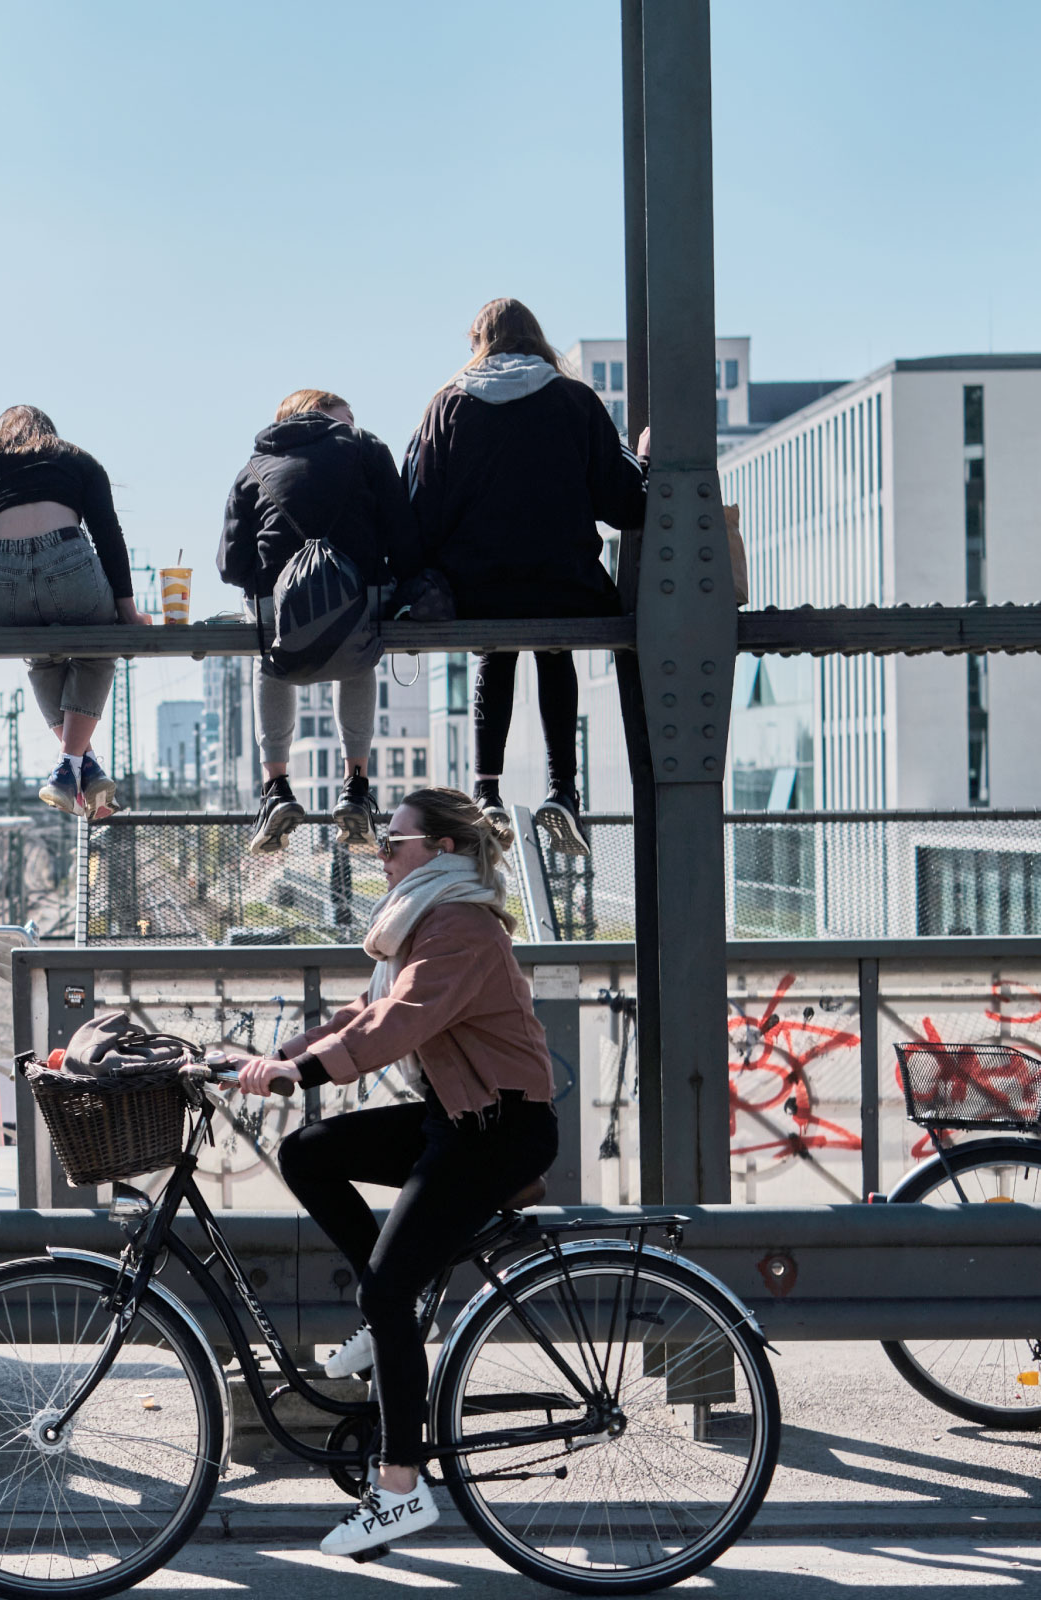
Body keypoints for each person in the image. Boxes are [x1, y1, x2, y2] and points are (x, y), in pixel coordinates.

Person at [225, 786, 558, 1558]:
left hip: (499, 1130)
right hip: (460, 1115)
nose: (381, 852)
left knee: (386, 1286)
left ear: (440, 851)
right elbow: (361, 1013)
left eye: (395, 841)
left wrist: (301, 1077)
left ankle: (402, 1488)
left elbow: (399, 1022)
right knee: (309, 1152)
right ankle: (388, 1325)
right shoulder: (423, 923)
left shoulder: (462, 927)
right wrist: (274, 1059)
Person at [402, 298, 648, 854]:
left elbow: (422, 512)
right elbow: (623, 504)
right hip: (566, 586)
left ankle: (486, 791)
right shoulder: (576, 401)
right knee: (554, 647)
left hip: (477, 591)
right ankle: (563, 790)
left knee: (496, 646)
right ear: (537, 340)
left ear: (478, 344)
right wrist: (645, 463)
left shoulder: (448, 406)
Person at [0, 406, 153, 817]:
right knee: (100, 642)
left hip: (4, 586)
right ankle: (69, 766)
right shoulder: (78, 459)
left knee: (40, 656)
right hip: (70, 567)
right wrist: (127, 615)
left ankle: (84, 771)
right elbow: (109, 536)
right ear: (49, 434)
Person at [217, 389, 418, 852]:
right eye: (347, 417)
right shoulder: (366, 446)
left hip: (278, 614)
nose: (352, 423)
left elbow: (230, 566)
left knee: (267, 647)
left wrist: (279, 583)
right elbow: (403, 534)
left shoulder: (252, 469)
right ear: (322, 414)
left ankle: (276, 789)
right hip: (359, 603)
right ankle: (356, 786)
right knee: (360, 645)